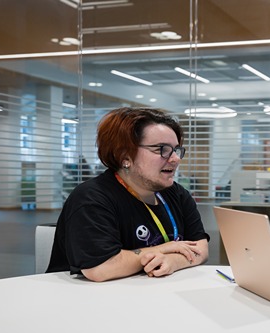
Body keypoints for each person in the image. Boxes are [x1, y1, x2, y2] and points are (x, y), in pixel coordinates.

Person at [47, 107, 209, 282]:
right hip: (85, 300)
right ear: (125, 156)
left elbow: (201, 247)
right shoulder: (92, 197)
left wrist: (173, 260)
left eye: (176, 150)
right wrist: (164, 249)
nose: (175, 159)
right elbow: (100, 268)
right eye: (162, 149)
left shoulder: (176, 194)